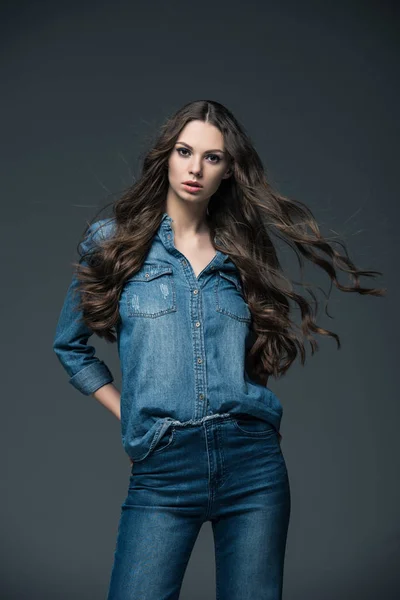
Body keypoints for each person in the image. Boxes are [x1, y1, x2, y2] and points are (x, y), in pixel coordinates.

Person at [52, 99, 385, 600]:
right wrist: (132, 419)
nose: (194, 168)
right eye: (185, 151)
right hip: (162, 469)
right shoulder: (113, 243)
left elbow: (258, 357)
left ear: (228, 170)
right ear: (166, 156)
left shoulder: (241, 254)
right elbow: (70, 347)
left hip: (252, 467)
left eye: (212, 157)